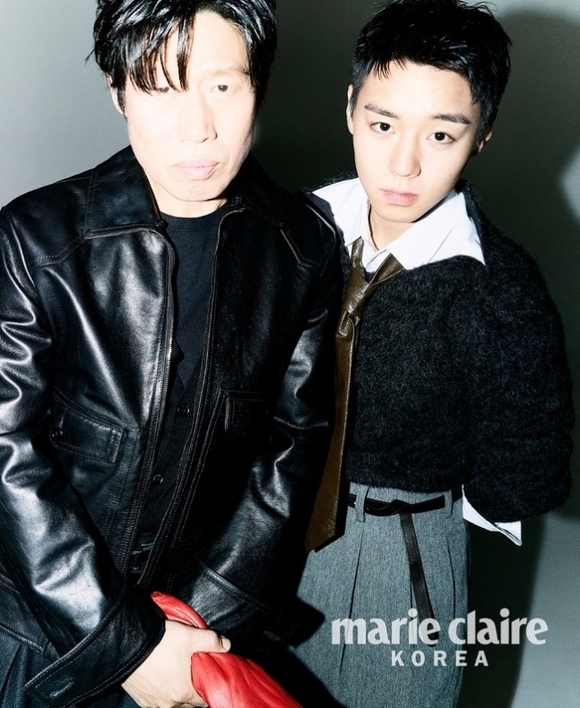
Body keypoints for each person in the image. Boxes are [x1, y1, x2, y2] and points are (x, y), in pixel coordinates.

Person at [0, 1, 341, 706]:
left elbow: (293, 446)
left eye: (223, 86)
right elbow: (9, 456)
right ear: (118, 91)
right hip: (38, 635)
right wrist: (126, 644)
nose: (198, 128)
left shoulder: (303, 247)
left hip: (200, 634)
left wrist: (194, 635)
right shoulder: (34, 240)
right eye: (161, 88)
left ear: (259, 85)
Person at [288, 1, 574, 706]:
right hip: (272, 526)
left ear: (482, 136)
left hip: (403, 547)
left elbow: (529, 469)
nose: (404, 163)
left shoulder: (500, 293)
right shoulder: (289, 233)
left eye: (442, 134)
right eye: (383, 124)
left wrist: (434, 510)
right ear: (350, 108)